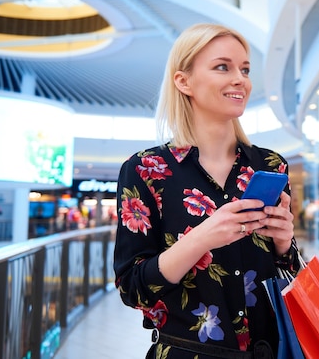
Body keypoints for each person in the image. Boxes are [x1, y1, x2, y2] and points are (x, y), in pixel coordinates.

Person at [113, 23, 300, 359]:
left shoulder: (271, 165)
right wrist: (201, 238)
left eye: (244, 69)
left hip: (271, 349)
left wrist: (285, 241)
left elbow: (288, 271)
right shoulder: (146, 170)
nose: (240, 79)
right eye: (222, 67)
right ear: (184, 82)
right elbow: (133, 288)